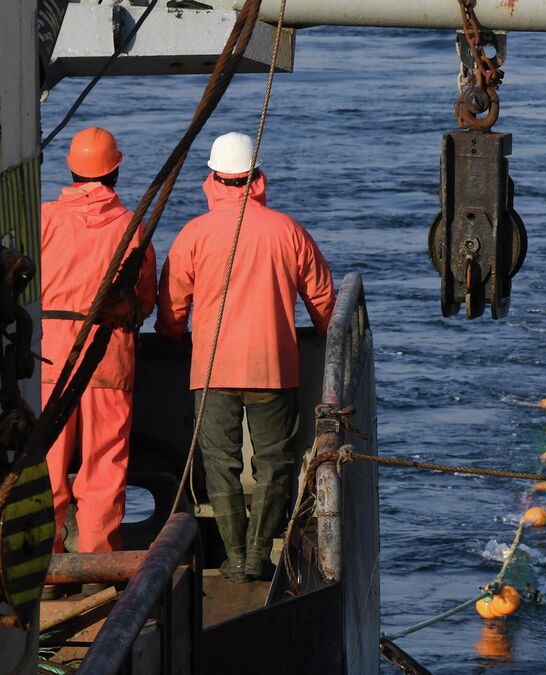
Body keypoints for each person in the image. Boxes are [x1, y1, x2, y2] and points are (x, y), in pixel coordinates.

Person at [156, 132, 335, 583]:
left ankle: (233, 557)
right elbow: (325, 303)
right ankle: (259, 556)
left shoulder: (194, 234)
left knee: (220, 464)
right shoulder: (287, 230)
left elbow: (173, 308)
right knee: (275, 463)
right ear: (257, 178)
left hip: (212, 371)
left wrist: (172, 334)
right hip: (273, 369)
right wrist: (324, 330)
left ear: (213, 179)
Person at [41, 127, 157, 558]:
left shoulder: (44, 218)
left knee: (47, 466)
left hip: (49, 358)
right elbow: (143, 299)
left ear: (71, 169)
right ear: (116, 171)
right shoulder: (132, 227)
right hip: (108, 359)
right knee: (104, 466)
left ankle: (45, 568)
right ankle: (96, 566)